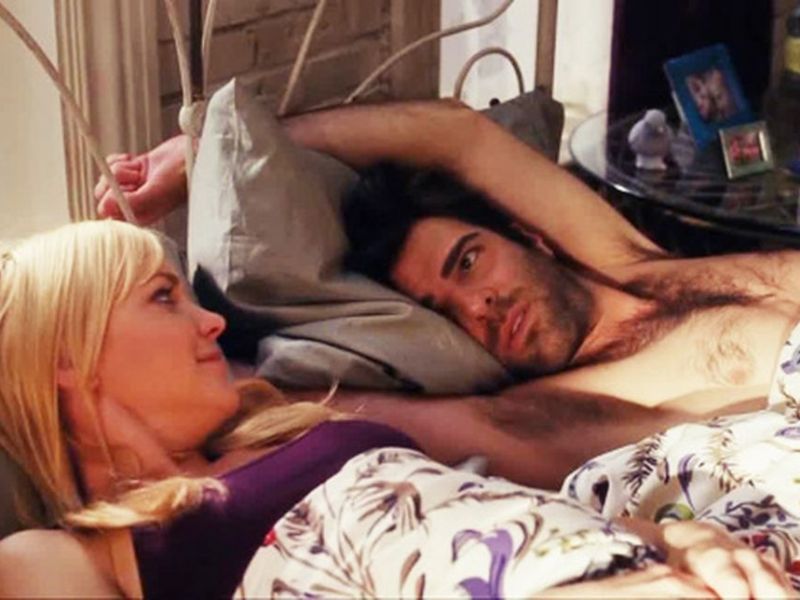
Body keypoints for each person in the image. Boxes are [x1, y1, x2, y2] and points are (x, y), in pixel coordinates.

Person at [0, 220, 791, 597]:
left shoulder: (282, 421)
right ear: (67, 357)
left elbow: (492, 492)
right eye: (162, 297)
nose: (211, 322)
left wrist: (678, 537)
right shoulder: (62, 557)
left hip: (625, 545)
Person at [95, 100, 800, 417]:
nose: (476, 307)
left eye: (467, 262)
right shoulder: (552, 406)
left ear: (531, 235)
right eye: (443, 312)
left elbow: (455, 135)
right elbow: (320, 406)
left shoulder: (624, 257)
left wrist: (196, 155)